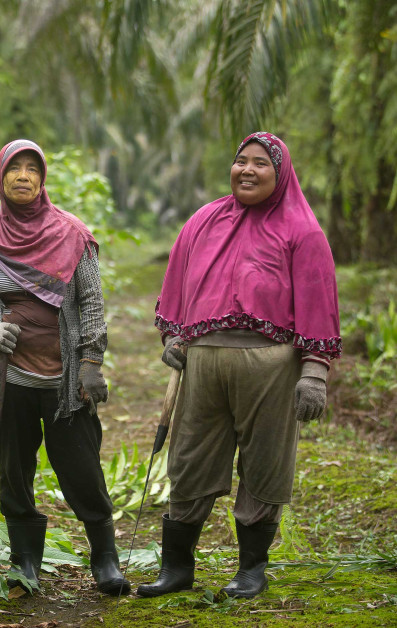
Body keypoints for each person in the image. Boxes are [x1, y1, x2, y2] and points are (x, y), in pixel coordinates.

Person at [138, 132, 342, 599]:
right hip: (204, 363)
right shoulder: (203, 221)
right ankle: (177, 569)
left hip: (271, 369)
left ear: (280, 172)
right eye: (240, 161)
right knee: (188, 459)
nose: (246, 170)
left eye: (259, 163)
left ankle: (251, 570)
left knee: (265, 465)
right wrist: (173, 336)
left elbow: (319, 302)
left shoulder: (302, 230)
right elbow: (176, 283)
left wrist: (314, 372)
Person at [0, 139, 129, 595]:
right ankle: (25, 563)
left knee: (82, 470)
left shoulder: (73, 234)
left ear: (43, 178)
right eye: (15, 168)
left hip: (65, 381)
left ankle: (105, 559)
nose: (24, 176)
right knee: (15, 472)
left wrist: (91, 362)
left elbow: (91, 302)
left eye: (33, 168)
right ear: (0, 176)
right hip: (8, 380)